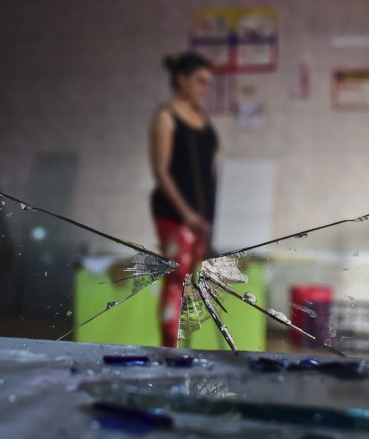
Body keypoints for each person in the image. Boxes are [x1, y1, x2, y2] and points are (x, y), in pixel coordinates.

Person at [149, 51, 218, 348]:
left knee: (193, 280)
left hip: (201, 215)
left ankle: (185, 345)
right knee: (177, 277)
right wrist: (187, 213)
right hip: (175, 213)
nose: (205, 88)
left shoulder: (201, 116)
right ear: (181, 79)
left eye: (208, 82)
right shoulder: (166, 116)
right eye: (200, 81)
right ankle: (169, 348)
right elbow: (161, 172)